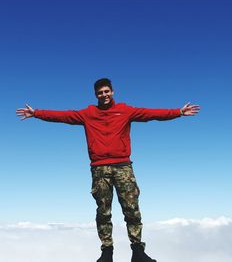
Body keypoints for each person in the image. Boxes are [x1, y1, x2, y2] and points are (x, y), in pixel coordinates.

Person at [16, 78, 200, 262]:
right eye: (100, 92)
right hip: (99, 169)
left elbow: (151, 113)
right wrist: (37, 113)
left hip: (123, 167)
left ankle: (137, 251)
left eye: (106, 91)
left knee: (132, 209)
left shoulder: (125, 110)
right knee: (103, 211)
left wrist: (178, 112)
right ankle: (107, 252)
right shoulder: (88, 114)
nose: (103, 95)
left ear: (112, 92)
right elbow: (63, 116)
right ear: (96, 95)